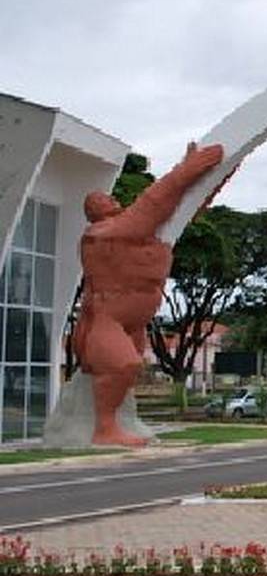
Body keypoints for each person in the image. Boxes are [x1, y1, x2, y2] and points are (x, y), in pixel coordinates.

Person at [74, 142, 224, 445]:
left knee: (128, 373)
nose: (110, 198)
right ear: (92, 212)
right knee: (123, 365)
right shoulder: (101, 234)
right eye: (101, 198)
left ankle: (117, 423)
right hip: (107, 318)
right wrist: (187, 170)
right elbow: (154, 205)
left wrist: (218, 175)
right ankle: (103, 429)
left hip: (136, 320)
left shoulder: (137, 235)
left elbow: (180, 210)